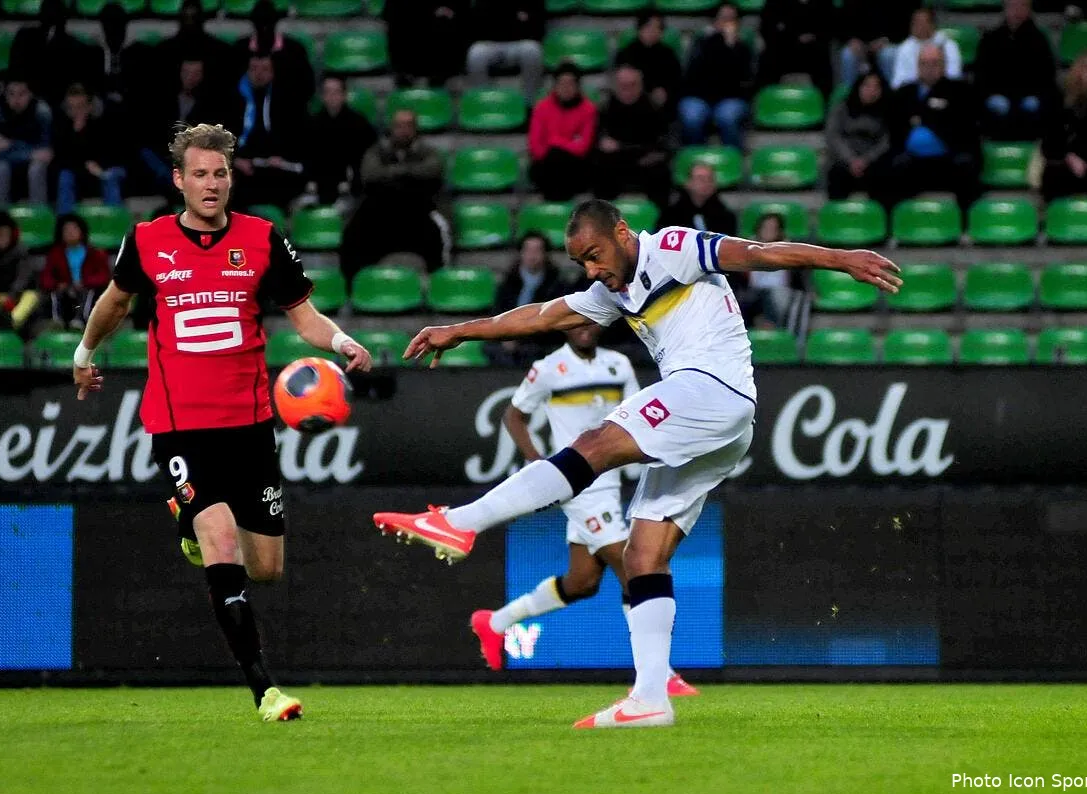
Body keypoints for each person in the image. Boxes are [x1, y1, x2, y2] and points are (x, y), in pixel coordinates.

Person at [373, 199, 901, 728]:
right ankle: (651, 699)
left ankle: (460, 523)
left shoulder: (672, 248)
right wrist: (461, 329)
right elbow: (540, 315)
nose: (592, 270)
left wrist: (840, 258)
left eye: (595, 255)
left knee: (597, 442)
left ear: (623, 233)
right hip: (722, 424)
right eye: (582, 263)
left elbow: (759, 254)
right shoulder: (611, 291)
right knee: (644, 554)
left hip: (712, 390)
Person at [72, 123, 373, 721]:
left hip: (251, 424)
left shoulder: (262, 239)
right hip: (181, 425)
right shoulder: (148, 241)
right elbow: (114, 303)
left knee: (267, 568)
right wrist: (84, 355)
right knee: (221, 538)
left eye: (221, 174)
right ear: (179, 181)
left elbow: (303, 316)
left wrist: (340, 342)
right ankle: (266, 690)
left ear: (231, 178)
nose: (212, 184)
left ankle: (188, 526)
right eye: (200, 174)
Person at [470, 323, 698, 698]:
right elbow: (514, 415)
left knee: (582, 583)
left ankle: (496, 622)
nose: (585, 330)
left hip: (609, 484)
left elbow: (640, 414)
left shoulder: (619, 365)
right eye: (576, 324)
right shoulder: (547, 369)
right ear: (564, 329)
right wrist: (538, 464)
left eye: (591, 322)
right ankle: (660, 675)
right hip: (578, 486)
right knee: (634, 568)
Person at [340, 109, 447, 280]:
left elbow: (432, 169)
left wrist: (392, 173)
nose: (403, 131)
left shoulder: (428, 152)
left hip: (421, 213)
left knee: (439, 228)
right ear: (391, 128)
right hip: (382, 215)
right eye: (399, 126)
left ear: (415, 128)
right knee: (354, 229)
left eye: (408, 126)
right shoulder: (377, 152)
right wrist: (408, 173)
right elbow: (370, 172)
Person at [890, 44, 981, 210]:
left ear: (944, 66)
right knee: (893, 165)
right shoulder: (905, 92)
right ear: (917, 66)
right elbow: (896, 126)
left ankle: (965, 224)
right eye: (924, 63)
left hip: (948, 157)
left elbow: (962, 126)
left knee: (966, 164)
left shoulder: (959, 90)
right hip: (914, 160)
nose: (929, 68)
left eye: (934, 63)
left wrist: (924, 117)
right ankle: (899, 223)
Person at [138, 59, 228, 195]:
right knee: (146, 153)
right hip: (167, 155)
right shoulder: (165, 100)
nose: (190, 78)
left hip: (195, 154)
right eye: (186, 73)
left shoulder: (210, 105)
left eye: (195, 74)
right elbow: (156, 134)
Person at [230, 54, 309, 209]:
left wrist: (283, 158)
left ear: (273, 72)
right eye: (254, 69)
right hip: (244, 168)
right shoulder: (234, 100)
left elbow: (297, 139)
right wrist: (235, 160)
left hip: (277, 168)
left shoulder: (287, 100)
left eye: (265, 69)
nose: (259, 74)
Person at [974, 0, 1058, 140]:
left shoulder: (1039, 40)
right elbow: (981, 74)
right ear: (1005, 8)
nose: (1017, 10)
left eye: (1022, 5)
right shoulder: (990, 39)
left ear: (1029, 9)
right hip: (997, 94)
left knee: (1034, 105)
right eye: (1013, 6)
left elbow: (1047, 76)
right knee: (996, 104)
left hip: (1030, 95)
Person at [592, 65, 672, 207]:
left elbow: (663, 144)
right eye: (623, 86)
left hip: (646, 165)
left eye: (632, 85)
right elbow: (600, 142)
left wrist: (621, 147)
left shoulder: (653, 108)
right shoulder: (606, 108)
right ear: (615, 86)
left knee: (661, 172)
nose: (628, 90)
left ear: (641, 85)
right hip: (616, 164)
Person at [487, 231, 570, 366]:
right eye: (528, 250)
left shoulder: (557, 285)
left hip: (539, 343)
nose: (532, 255)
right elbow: (496, 314)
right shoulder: (508, 283)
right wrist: (506, 337)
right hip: (507, 340)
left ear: (545, 254)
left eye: (537, 250)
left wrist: (520, 337)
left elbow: (553, 323)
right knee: (492, 349)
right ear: (521, 253)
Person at [677, 3, 754, 148]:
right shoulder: (701, 43)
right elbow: (692, 74)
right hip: (700, 97)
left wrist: (732, 49)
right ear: (715, 21)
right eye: (724, 18)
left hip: (731, 98)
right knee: (692, 117)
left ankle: (733, 159)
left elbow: (744, 78)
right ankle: (695, 158)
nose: (727, 23)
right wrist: (714, 43)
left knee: (727, 117)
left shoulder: (743, 48)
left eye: (731, 19)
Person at [1042, 50, 1087, 200]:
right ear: (1078, 68)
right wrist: (1069, 157)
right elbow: (1050, 141)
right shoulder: (1059, 98)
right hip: (1065, 160)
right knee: (1055, 172)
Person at [7, 0, 103, 108]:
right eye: (48, 12)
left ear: (64, 17)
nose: (51, 16)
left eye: (56, 13)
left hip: (59, 101)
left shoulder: (75, 47)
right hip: (27, 98)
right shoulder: (24, 37)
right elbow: (15, 70)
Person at [527, 63, 597, 201]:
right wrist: (566, 144)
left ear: (578, 86)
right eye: (561, 83)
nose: (566, 88)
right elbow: (535, 147)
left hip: (575, 165)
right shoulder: (541, 108)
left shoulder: (589, 109)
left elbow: (583, 147)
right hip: (547, 164)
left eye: (570, 83)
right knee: (553, 160)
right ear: (555, 85)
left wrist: (554, 141)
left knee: (561, 159)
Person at [53, 83, 126, 214]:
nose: (76, 112)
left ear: (90, 106)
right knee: (65, 176)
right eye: (71, 108)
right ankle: (65, 222)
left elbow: (116, 153)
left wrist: (100, 167)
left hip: (106, 167)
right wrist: (76, 134)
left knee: (111, 176)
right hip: (80, 170)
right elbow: (61, 159)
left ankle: (113, 223)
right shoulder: (63, 126)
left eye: (80, 107)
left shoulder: (106, 120)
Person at [306, 75, 378, 205]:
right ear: (322, 96)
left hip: (352, 186)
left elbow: (369, 154)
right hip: (320, 185)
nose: (332, 96)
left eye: (336, 92)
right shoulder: (313, 124)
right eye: (327, 92)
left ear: (344, 95)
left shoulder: (359, 123)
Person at [826, 73, 894, 202]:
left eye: (876, 87)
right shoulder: (841, 108)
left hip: (873, 161)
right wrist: (851, 159)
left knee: (886, 173)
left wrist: (866, 160)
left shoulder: (887, 111)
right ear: (858, 87)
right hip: (845, 160)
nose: (871, 91)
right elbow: (833, 136)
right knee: (834, 172)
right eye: (867, 86)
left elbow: (886, 141)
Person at [235, 0, 315, 109]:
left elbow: (307, 88)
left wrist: (275, 77)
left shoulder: (294, 50)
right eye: (260, 23)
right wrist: (250, 79)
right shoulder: (239, 49)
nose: (264, 28)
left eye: (268, 23)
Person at [0, 80, 52, 210]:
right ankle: (0, 218)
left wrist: (10, 144)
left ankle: (38, 217)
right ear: (5, 96)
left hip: (33, 162)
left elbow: (46, 153)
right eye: (11, 94)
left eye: (21, 94)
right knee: (0, 169)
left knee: (36, 169)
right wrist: (29, 152)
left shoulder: (42, 112)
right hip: (18, 158)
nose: (16, 100)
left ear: (30, 94)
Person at [39, 214, 110, 329]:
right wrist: (58, 284)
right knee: (54, 293)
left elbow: (103, 276)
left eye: (74, 229)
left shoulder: (95, 253)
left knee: (89, 292)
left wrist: (85, 282)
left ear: (82, 231)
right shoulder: (55, 254)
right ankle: (57, 321)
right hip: (65, 290)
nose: (70, 232)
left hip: (86, 289)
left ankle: (80, 320)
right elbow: (46, 277)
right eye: (66, 230)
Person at [466, 0, 545, 101]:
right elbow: (478, 22)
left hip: (520, 43)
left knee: (533, 50)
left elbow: (536, 23)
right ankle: (483, 101)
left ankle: (529, 102)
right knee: (475, 53)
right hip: (490, 43)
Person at [758, 0, 834, 100]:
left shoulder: (823, 3)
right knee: (767, 59)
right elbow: (767, 29)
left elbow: (830, 28)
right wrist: (792, 38)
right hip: (783, 48)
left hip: (813, 50)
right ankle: (765, 102)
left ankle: (823, 103)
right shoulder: (775, 3)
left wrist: (813, 37)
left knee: (823, 58)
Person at [384, 0, 469, 88]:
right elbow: (390, 17)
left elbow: (461, 13)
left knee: (443, 24)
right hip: (408, 40)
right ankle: (404, 77)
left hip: (439, 42)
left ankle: (439, 78)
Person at [836, 0, 917, 88]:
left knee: (888, 55)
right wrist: (850, 39)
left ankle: (894, 92)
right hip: (860, 45)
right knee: (847, 55)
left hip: (887, 43)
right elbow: (841, 21)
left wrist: (887, 39)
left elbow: (905, 23)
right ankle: (848, 95)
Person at [615, 12, 681, 119]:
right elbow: (621, 80)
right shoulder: (627, 53)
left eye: (657, 28)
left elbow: (676, 81)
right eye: (648, 26)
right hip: (634, 98)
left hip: (662, 102)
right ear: (640, 29)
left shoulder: (668, 54)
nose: (652, 31)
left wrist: (666, 91)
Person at [889, 7, 963, 90]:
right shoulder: (905, 47)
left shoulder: (949, 45)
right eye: (915, 22)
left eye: (922, 22)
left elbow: (954, 75)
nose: (917, 26)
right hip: (915, 92)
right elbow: (898, 81)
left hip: (944, 89)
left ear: (932, 24)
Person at [657, 162, 736, 235]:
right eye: (700, 178)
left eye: (710, 179)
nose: (706, 183)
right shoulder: (670, 216)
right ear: (688, 182)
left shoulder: (725, 216)